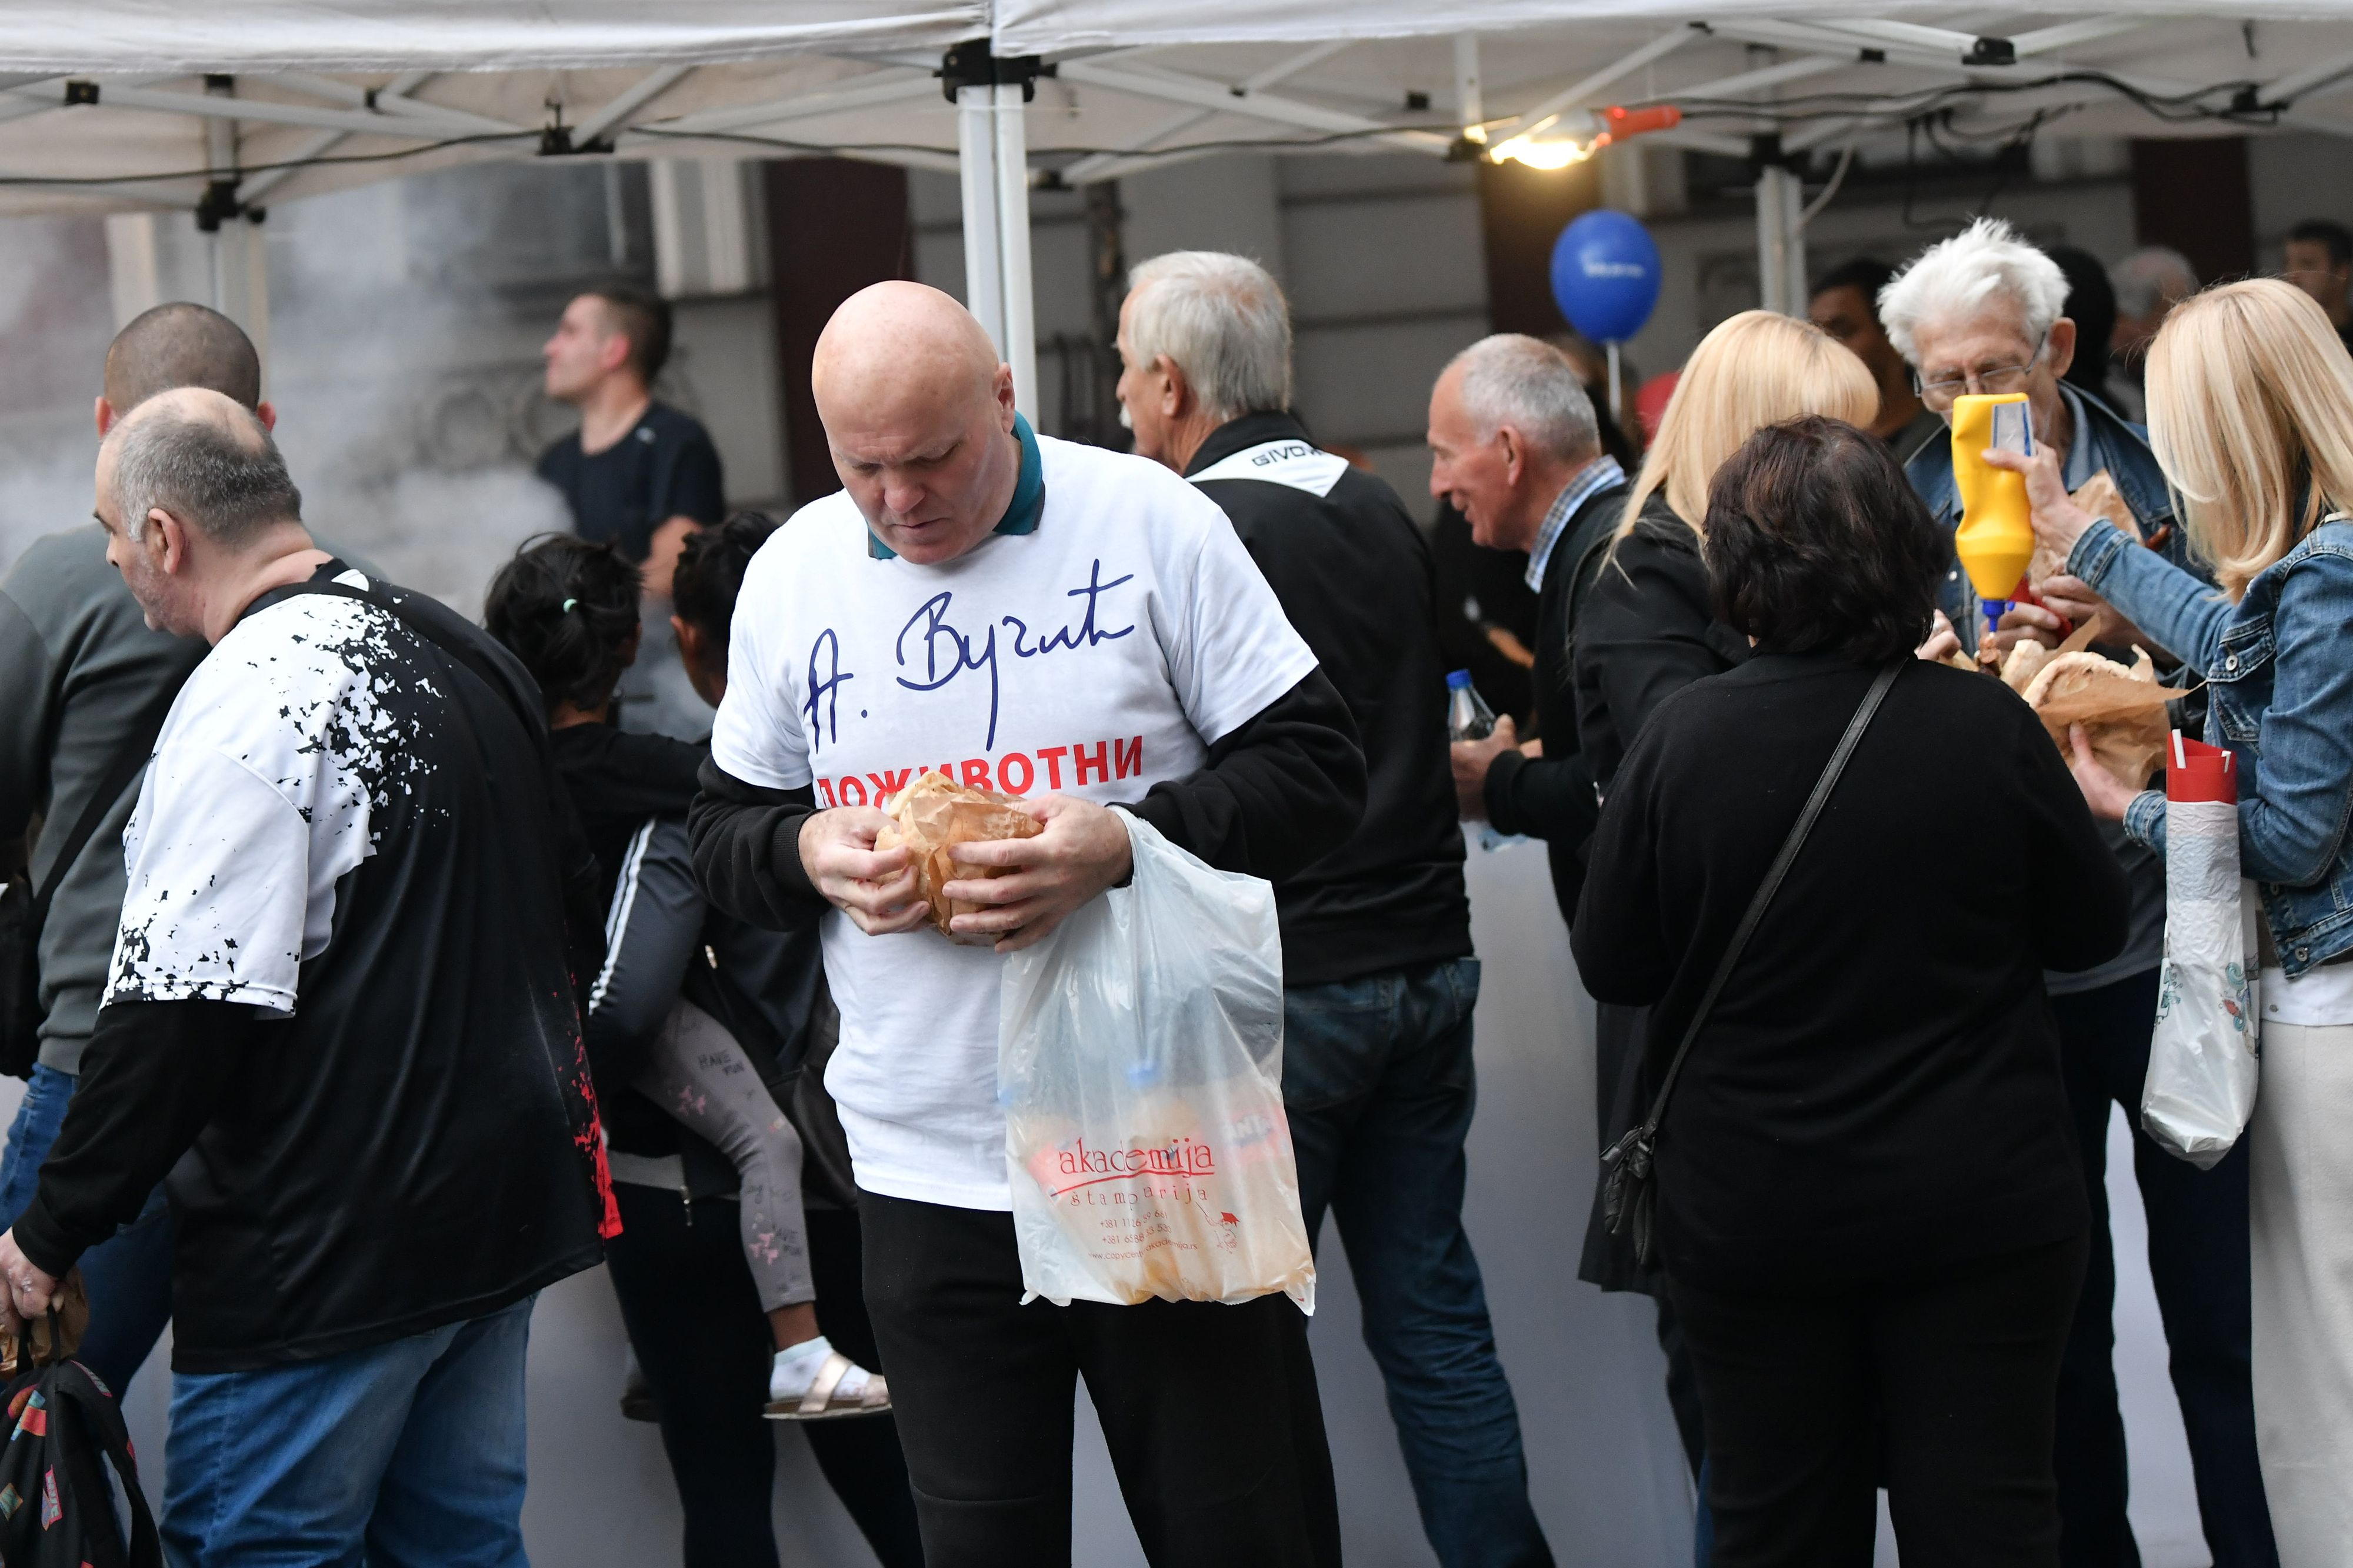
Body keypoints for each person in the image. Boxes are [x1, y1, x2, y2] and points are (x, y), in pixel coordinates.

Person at [686, 280, 1365, 1567]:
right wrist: (808, 851)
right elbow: (721, 833)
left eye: (933, 457)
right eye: (863, 466)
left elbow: (1321, 774)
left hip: (1161, 1142)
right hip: (922, 1168)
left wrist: (1122, 844)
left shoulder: (1152, 520)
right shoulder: (793, 573)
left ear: (1004, 398)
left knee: (1239, 1533)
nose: (901, 500)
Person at [0, 389, 615, 1563]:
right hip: (498, 1224)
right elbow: (569, 919)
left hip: (323, 1264)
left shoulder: (251, 697)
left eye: (114, 531)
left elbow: (179, 1019)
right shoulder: (463, 649)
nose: (113, 558)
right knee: (459, 1550)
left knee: (260, 1550)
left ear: (166, 534)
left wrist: (45, 1231)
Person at [1571, 413, 2130, 1566]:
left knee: (1776, 1526)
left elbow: (1613, 962)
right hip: (1982, 1200)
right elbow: (2090, 929)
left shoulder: (1681, 742)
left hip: (1754, 1209)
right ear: (1906, 552)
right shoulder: (1985, 729)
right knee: (1990, 1525)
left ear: (1736, 570)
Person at [1116, 252, 1549, 1568]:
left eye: (1128, 371)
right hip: (1425, 959)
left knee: (1245, 1351)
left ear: (1172, 383)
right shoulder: (1372, 503)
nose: (1121, 399)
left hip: (1288, 983)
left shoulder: (1185, 527)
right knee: (1435, 1324)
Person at [1879, 218, 2280, 1568]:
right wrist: (1945, 671)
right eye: (1941, 380)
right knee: (2055, 1331)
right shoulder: (1894, 507)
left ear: (2053, 348)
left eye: (1992, 369)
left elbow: (2260, 668)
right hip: (2010, 967)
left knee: (2220, 1316)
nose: (1968, 402)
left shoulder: (2164, 468)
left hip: (2172, 942)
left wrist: (2125, 621)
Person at [1989, 276, 2353, 1567]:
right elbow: (2248, 645)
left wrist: (2125, 804)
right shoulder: (2321, 568)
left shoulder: (2326, 576)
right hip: (2319, 1011)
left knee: (2320, 1385)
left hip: (2326, 1018)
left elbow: (2293, 839)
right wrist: (2090, 549)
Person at [485, 527, 921, 1568]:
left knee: (721, 1494)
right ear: (633, 643)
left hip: (653, 1189)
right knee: (895, 1494)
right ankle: (796, 1349)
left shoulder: (495, 787)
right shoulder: (719, 786)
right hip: (819, 1176)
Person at [0, 302, 374, 1397]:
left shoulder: (57, 579)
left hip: (103, 1053)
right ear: (261, 430)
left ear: (107, 425)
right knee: (257, 1397)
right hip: (293, 1069)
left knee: (31, 1405)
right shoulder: (345, 592)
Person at [1433, 334, 1631, 922]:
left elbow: (1646, 782)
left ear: (1510, 453)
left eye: (1444, 454)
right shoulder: (1606, 550)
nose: (1437, 484)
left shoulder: (1620, 565)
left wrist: (1504, 782)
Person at [538, 285, 726, 740]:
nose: (550, 348)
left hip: (664, 699)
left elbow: (672, 570)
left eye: (569, 332)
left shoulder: (675, 442)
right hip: (574, 702)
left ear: (614, 351)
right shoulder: (554, 463)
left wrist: (575, 618)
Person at [1807, 258, 1944, 463]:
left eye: (1842, 332)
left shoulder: (1942, 436)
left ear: (1890, 333)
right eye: (1817, 336)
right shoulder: (1821, 447)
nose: (1827, 348)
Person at [2281, 219, 2353, 353]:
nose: (2292, 274)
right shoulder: (2280, 337)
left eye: (2308, 264)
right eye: (2287, 264)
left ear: (2341, 272)